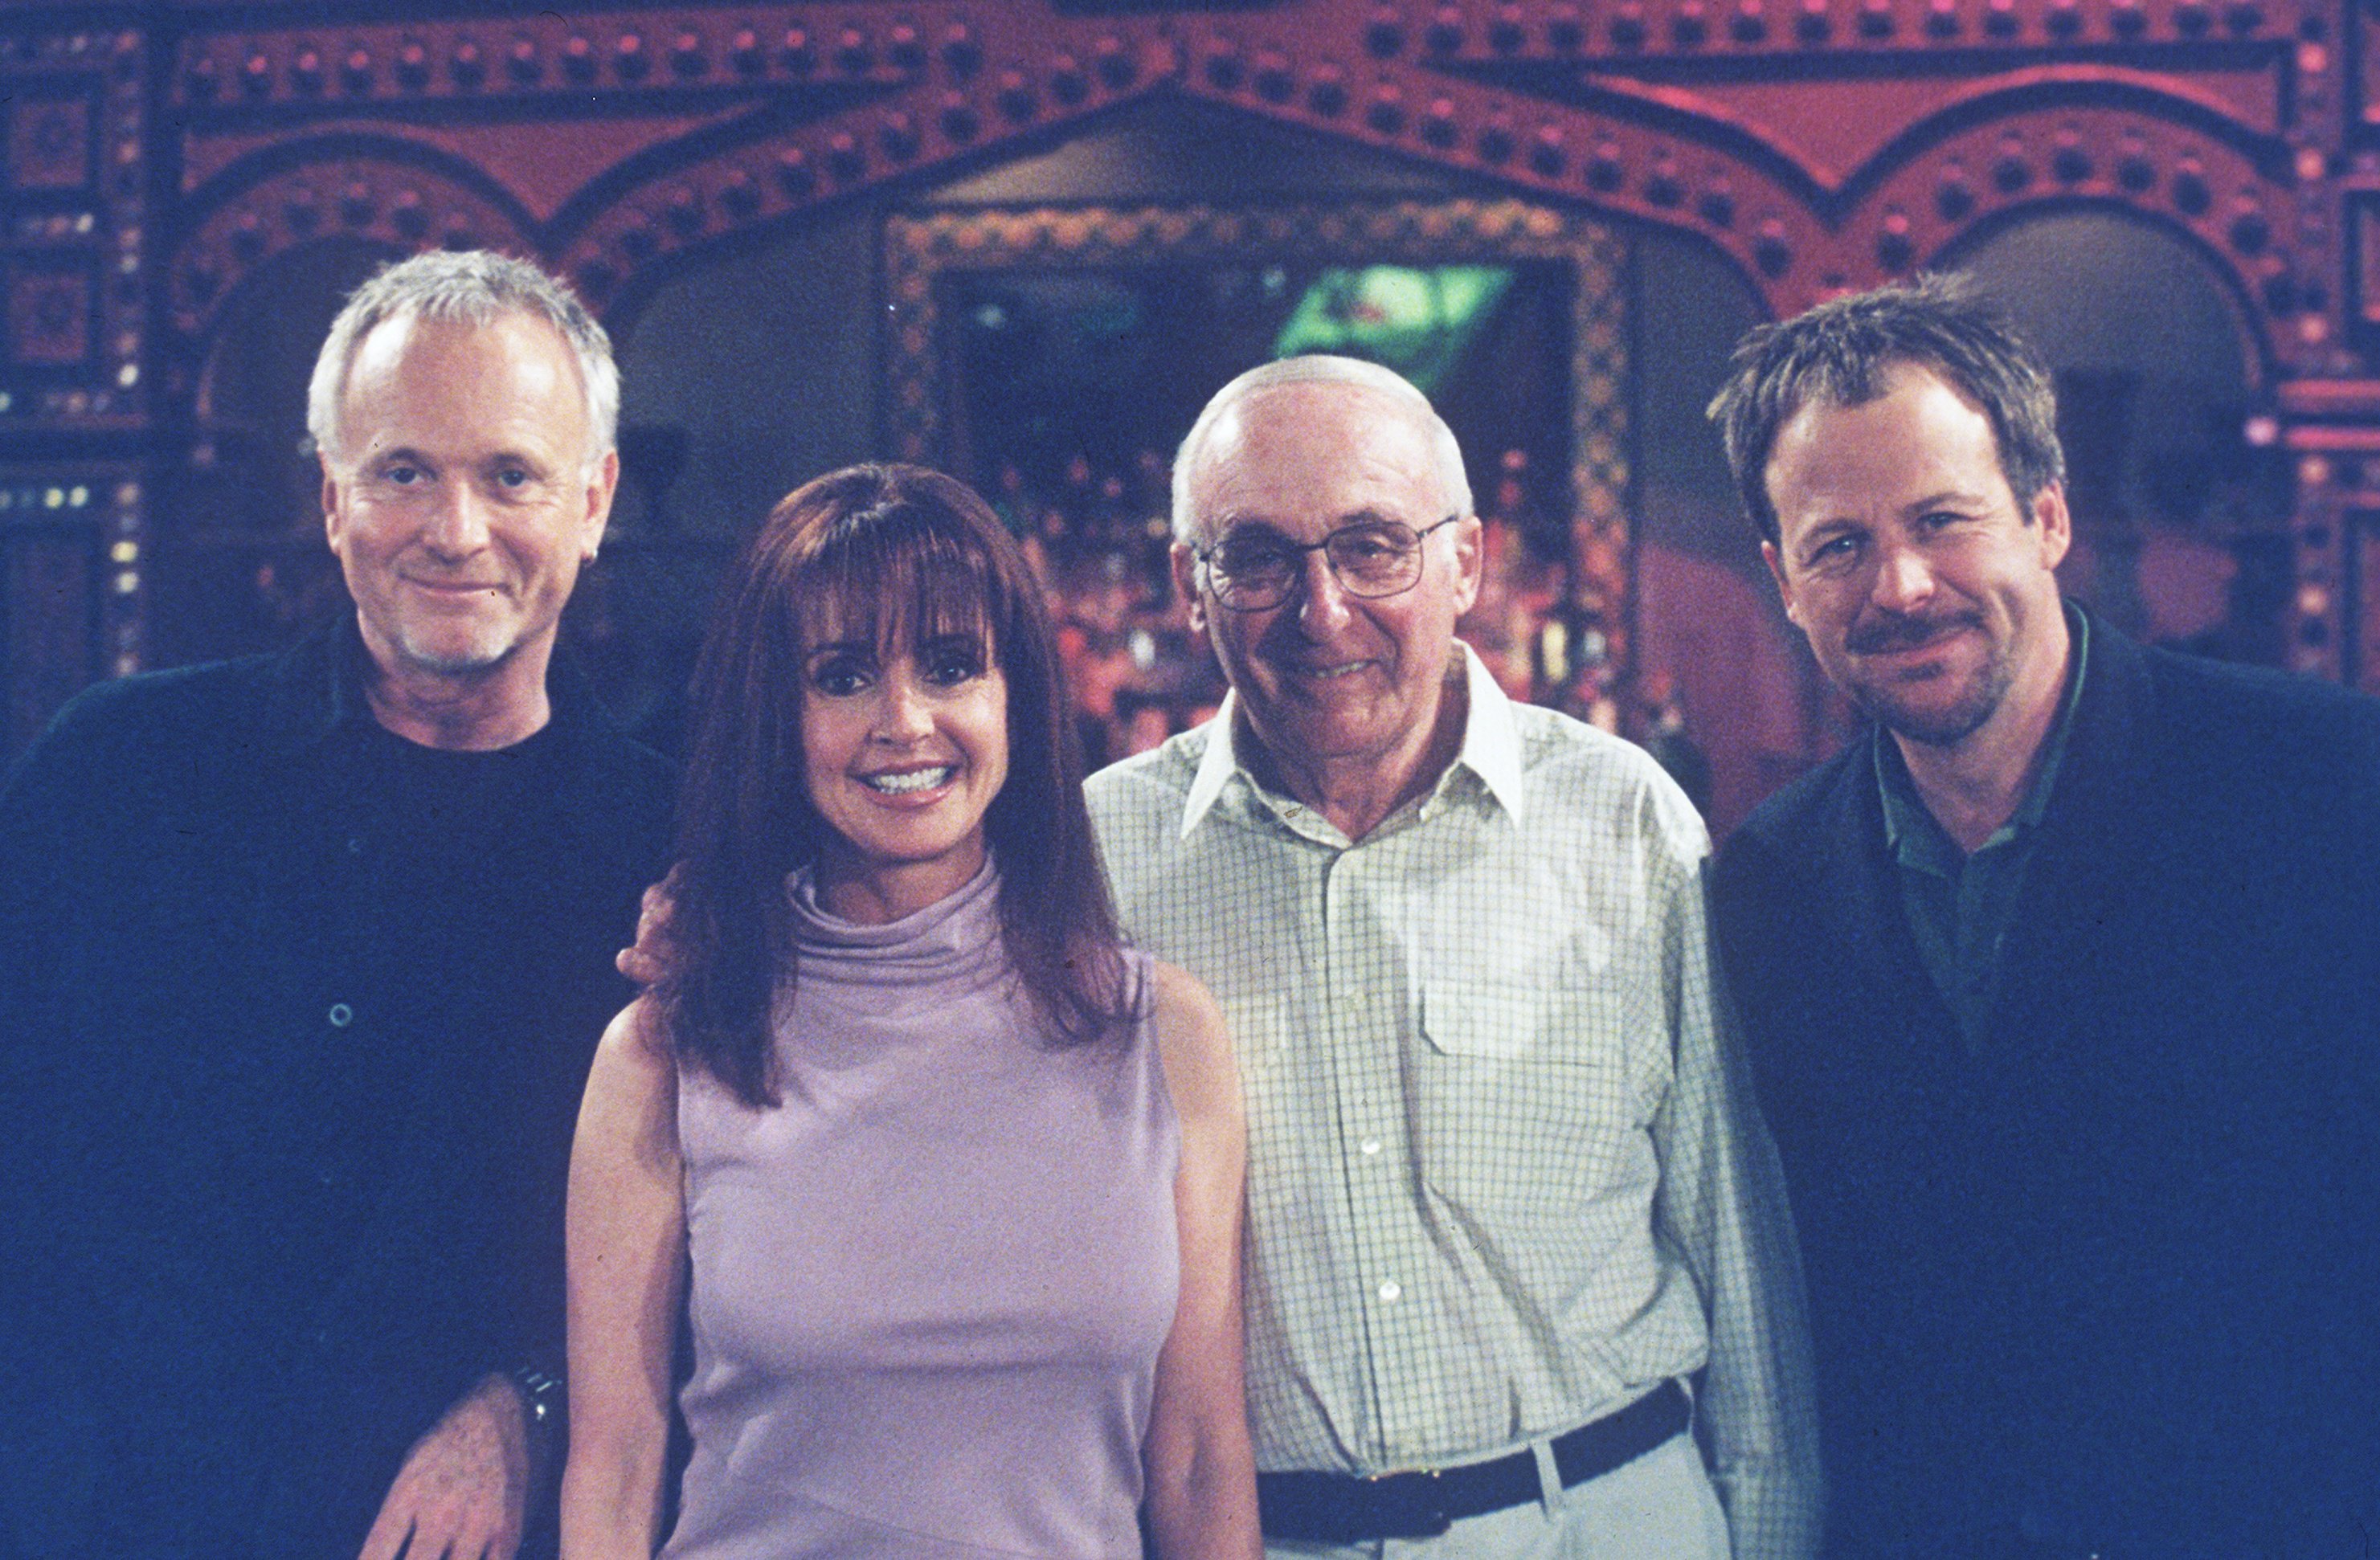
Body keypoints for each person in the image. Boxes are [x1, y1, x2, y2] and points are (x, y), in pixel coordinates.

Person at [1705, 273, 2380, 1558]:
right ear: (1784, 579)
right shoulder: (1764, 880)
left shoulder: (2340, 787)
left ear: (2046, 515)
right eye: (1838, 544)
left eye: (1943, 519)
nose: (1902, 584)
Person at [1083, 356, 1820, 1559]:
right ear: (1190, 587)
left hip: (1606, 1522)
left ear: (1465, 561)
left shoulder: (1621, 821)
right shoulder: (1099, 858)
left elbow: (1736, 1252)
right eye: (1260, 557)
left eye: (1374, 546)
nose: (1322, 610)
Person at [0, 249, 675, 1559]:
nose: (455, 529)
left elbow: (750, 1259)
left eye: (512, 475)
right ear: (330, 500)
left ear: (593, 501)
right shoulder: (114, 771)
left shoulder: (680, 845)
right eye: (403, 470)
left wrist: (530, 1401)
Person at [560, 464, 1258, 1560]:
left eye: (950, 666)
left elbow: (1202, 1459)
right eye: (842, 676)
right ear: (774, 714)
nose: (904, 721)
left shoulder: (1164, 1034)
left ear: (1014, 695)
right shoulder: (664, 1050)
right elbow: (615, 1468)